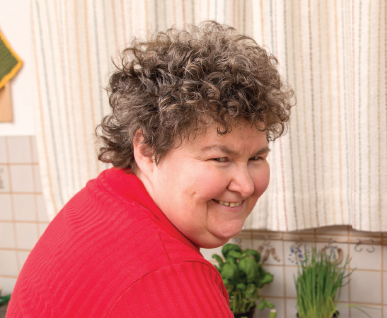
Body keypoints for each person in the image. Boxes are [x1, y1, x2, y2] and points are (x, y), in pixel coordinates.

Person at [8, 21, 293, 317]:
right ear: (147, 150)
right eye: (220, 159)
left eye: (257, 158)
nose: (246, 186)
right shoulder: (171, 278)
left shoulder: (100, 201)